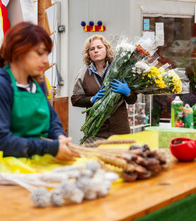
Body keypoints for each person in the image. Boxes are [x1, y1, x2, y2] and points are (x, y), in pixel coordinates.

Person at [0, 21, 78, 160]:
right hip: (8, 170)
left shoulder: (38, 84)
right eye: (40, 53)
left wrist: (59, 137)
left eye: (47, 54)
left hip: (37, 162)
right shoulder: (3, 85)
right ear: (18, 51)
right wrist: (50, 148)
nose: (46, 61)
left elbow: (52, 120)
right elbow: (3, 141)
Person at [71, 34, 137, 143]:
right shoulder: (83, 74)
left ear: (106, 50)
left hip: (120, 133)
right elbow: (75, 99)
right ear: (88, 54)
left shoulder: (120, 70)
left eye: (99, 47)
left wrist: (127, 92)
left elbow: (132, 100)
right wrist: (92, 99)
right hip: (95, 134)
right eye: (92, 49)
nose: (96, 51)